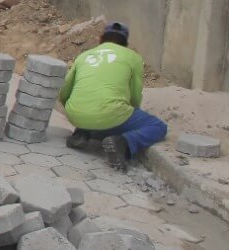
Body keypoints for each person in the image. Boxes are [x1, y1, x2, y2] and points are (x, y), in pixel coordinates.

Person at [59, 21, 167, 169]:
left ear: (101, 38)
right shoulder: (133, 58)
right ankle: (123, 142)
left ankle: (83, 131)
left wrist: (76, 110)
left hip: (75, 114)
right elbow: (135, 97)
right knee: (158, 126)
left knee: (99, 113)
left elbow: (64, 91)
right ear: (125, 44)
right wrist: (127, 114)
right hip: (110, 114)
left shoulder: (84, 56)